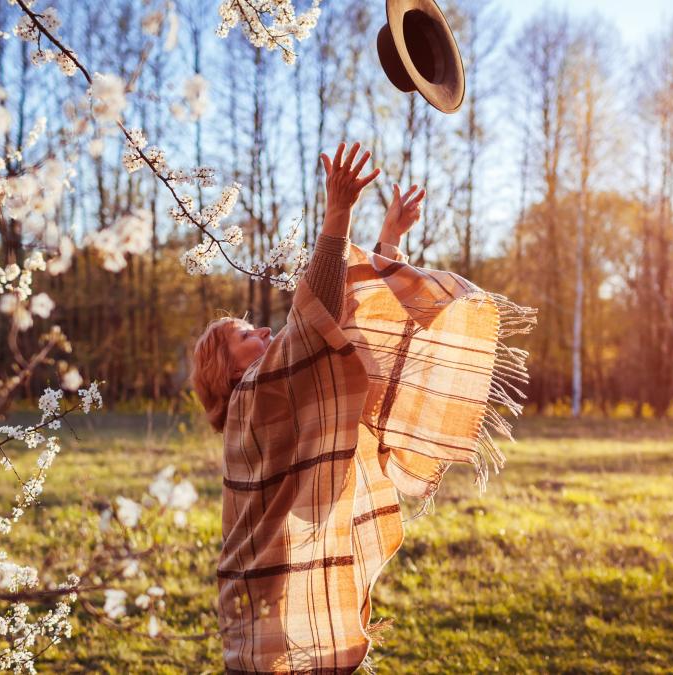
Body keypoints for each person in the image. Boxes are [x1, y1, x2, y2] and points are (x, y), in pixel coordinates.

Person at [191, 142, 536, 674]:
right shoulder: (253, 398)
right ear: (228, 370)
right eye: (243, 333)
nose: (261, 329)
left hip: (266, 592)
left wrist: (389, 242)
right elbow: (316, 322)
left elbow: (340, 327)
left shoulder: (271, 393)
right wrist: (338, 214)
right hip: (259, 601)